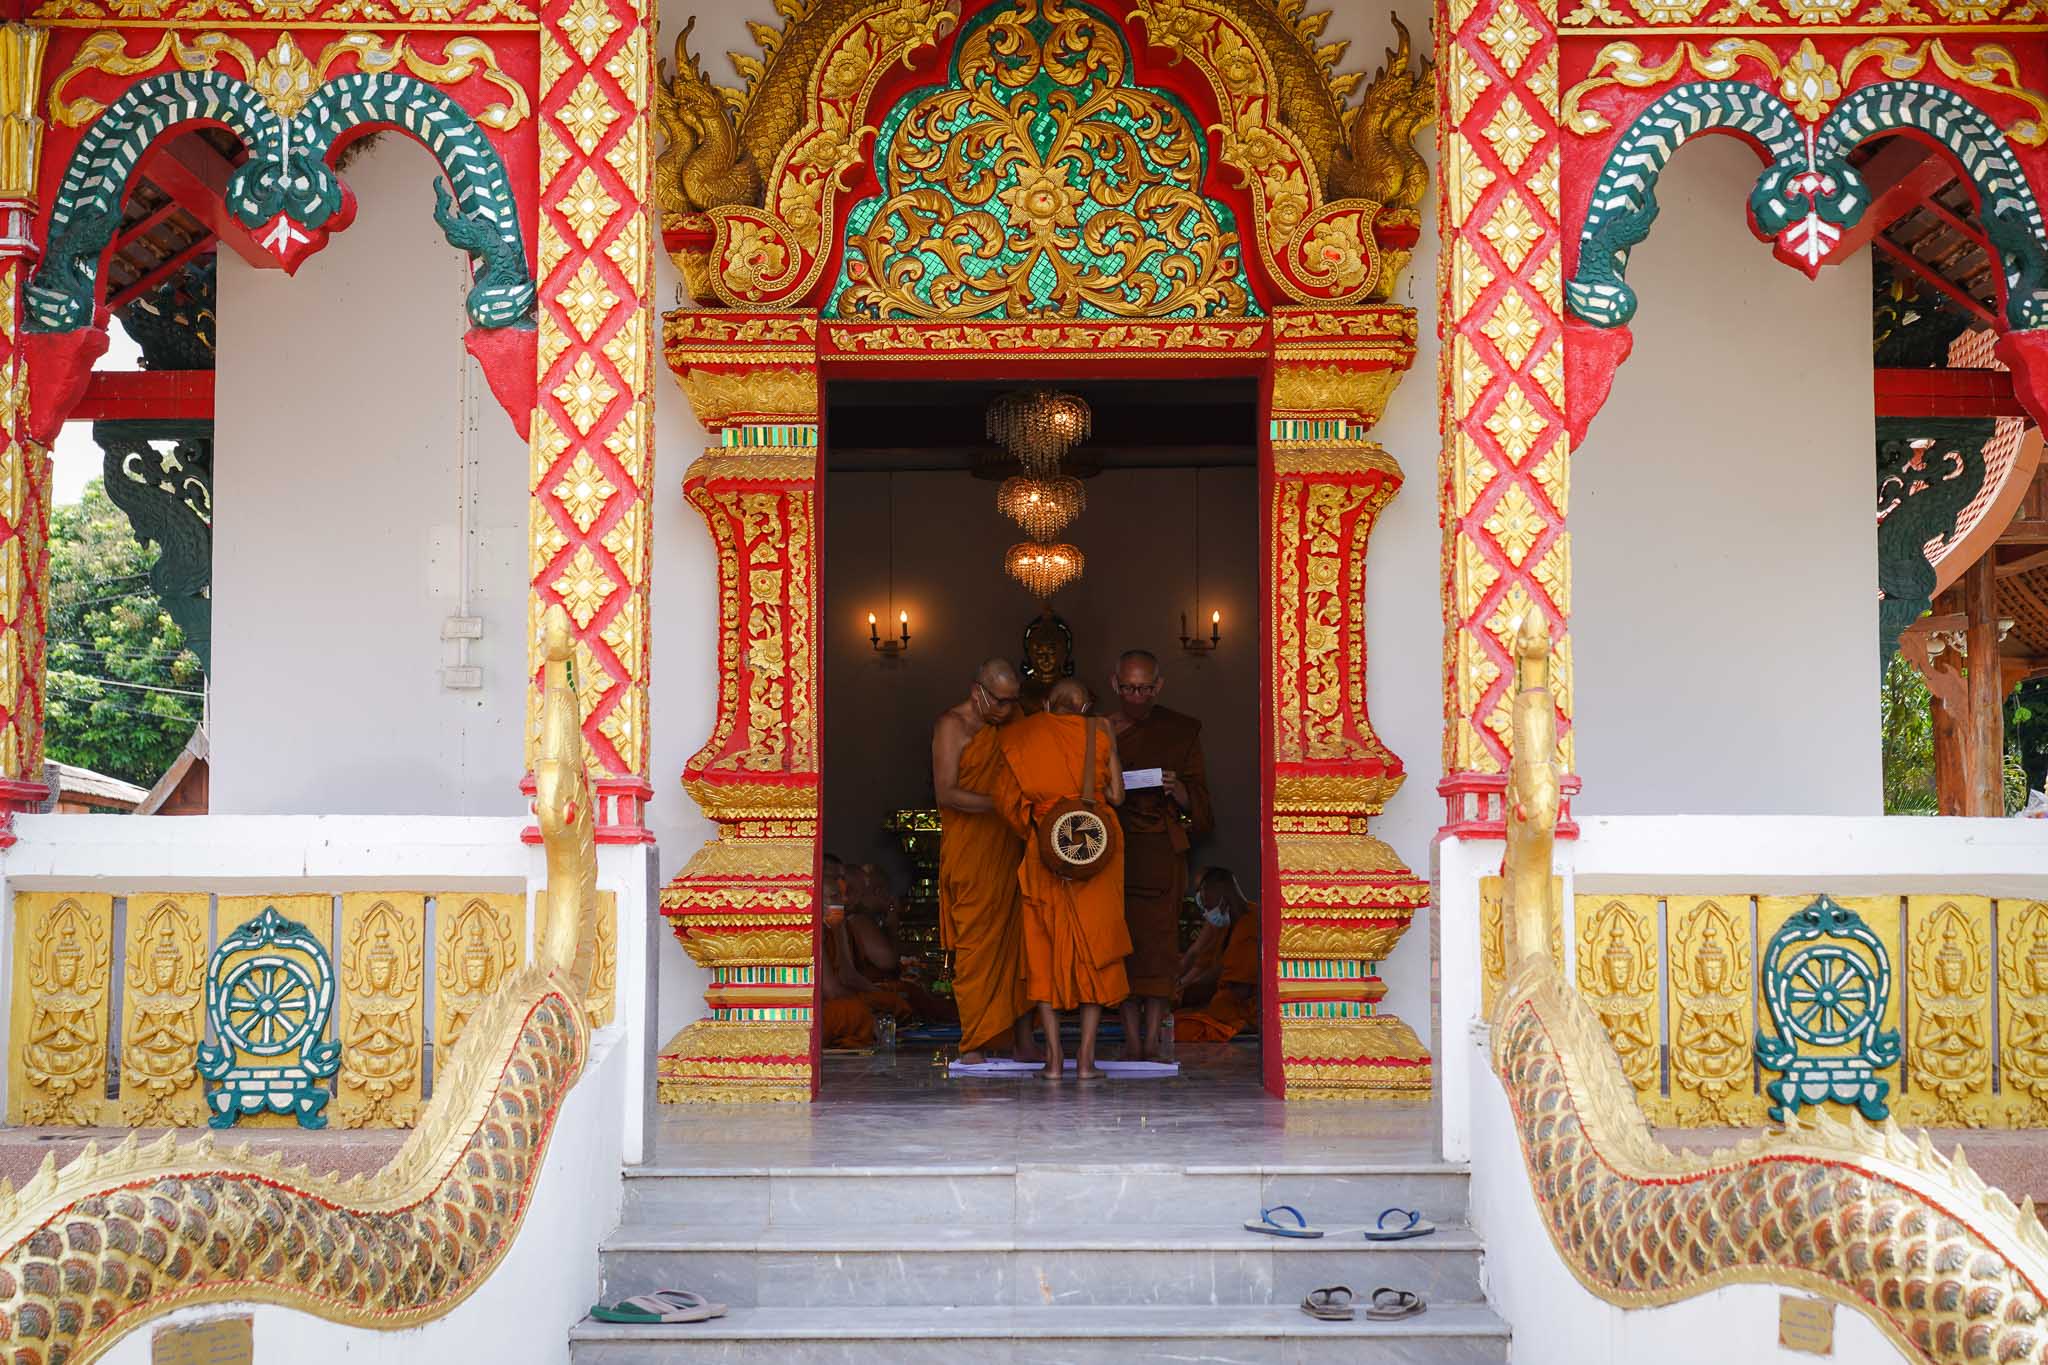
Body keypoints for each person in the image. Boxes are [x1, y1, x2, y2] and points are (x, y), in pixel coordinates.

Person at [993, 692, 1128, 1080]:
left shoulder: (1021, 735)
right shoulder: (1100, 730)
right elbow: (1117, 795)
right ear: (1085, 707)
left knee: (1043, 954)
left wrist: (1041, 828)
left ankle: (1053, 1062)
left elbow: (1006, 804)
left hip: (1046, 853)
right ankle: (1085, 1061)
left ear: (1048, 705)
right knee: (1096, 952)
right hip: (1096, 854)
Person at [1107, 649, 1214, 1059]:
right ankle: (1131, 1040)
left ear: (1159, 686)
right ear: (1115, 684)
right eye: (1129, 688)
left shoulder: (1180, 731)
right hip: (1113, 853)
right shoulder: (1100, 730)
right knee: (1119, 948)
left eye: (1145, 689)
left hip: (1161, 856)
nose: (1137, 698)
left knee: (1159, 950)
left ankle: (1151, 1040)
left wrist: (1179, 790)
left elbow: (1203, 805)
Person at [933, 658, 1040, 1064]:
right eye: (1000, 701)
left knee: (1023, 945)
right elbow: (947, 793)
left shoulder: (1016, 721)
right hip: (972, 853)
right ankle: (974, 1041)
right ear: (976, 690)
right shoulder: (952, 725)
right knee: (976, 945)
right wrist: (1003, 805)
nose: (1007, 710)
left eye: (1014, 701)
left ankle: (1023, 1039)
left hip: (1015, 850)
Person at [1174, 868, 1260, 1042]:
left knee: (1182, 1028)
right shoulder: (1226, 922)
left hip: (1245, 1012)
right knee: (1174, 1021)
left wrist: (1191, 997)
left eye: (1208, 905)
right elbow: (1203, 962)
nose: (1206, 910)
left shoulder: (1253, 923)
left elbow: (1241, 988)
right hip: (1223, 1005)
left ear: (1223, 894)